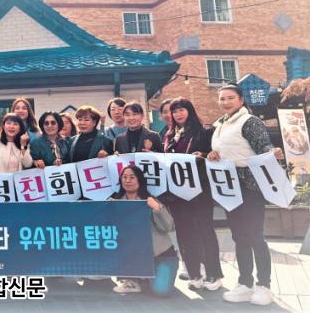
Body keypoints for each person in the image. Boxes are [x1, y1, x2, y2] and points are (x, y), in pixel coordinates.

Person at [208, 84, 285, 306]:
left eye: (230, 98)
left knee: (255, 236)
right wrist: (214, 154)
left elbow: (264, 146)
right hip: (229, 186)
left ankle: (264, 286)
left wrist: (273, 152)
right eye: (222, 98)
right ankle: (245, 283)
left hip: (250, 185)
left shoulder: (249, 121)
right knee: (239, 236)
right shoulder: (219, 124)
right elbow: (227, 151)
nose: (225, 102)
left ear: (241, 100)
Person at [164, 98, 223, 291]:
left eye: (182, 110)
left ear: (190, 111)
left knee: (205, 231)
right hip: (178, 194)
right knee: (184, 234)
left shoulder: (205, 132)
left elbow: (215, 156)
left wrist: (204, 156)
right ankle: (194, 273)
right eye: (174, 111)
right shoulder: (171, 135)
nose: (178, 114)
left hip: (200, 191)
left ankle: (214, 274)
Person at [112, 165, 178, 297]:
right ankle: (133, 280)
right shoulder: (116, 202)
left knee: (161, 291)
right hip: (135, 255)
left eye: (132, 177)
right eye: (124, 177)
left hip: (161, 255)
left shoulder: (150, 200)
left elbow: (168, 227)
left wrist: (157, 209)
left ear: (139, 180)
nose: (127, 180)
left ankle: (148, 278)